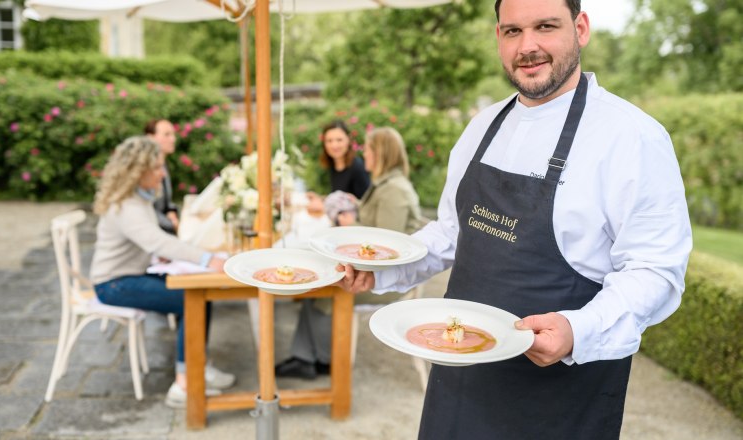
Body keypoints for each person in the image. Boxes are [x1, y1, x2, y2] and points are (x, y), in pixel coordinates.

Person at [337, 0, 692, 438]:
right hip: (459, 380)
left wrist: (578, 329)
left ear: (580, 28)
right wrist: (383, 269)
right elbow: (451, 233)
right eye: (512, 31)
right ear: (498, 37)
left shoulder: (632, 137)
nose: (528, 46)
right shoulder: (481, 127)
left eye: (545, 26)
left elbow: (656, 270)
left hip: (559, 397)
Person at [89, 136, 236, 408]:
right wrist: (208, 259)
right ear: (137, 170)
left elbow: (150, 241)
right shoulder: (126, 205)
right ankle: (184, 382)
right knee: (191, 299)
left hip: (129, 275)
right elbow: (156, 241)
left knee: (200, 293)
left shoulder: (136, 197)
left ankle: (196, 365)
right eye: (156, 167)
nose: (162, 173)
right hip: (114, 284)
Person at [275, 127, 425, 379]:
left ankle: (325, 360)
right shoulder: (385, 184)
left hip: (387, 282)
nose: (363, 153)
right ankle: (307, 357)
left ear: (380, 153)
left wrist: (348, 226)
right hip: (375, 273)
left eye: (367, 149)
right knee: (315, 283)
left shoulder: (394, 190)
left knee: (323, 288)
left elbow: (386, 247)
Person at [318, 119, 371, 199]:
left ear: (348, 140)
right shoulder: (333, 165)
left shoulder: (358, 167)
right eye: (329, 141)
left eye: (339, 140)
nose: (334, 145)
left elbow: (367, 204)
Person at [145, 119, 180, 234]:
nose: (173, 139)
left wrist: (171, 211)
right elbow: (147, 210)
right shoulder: (146, 170)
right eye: (167, 134)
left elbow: (165, 203)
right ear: (151, 137)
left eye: (173, 134)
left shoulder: (163, 163)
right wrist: (171, 225)